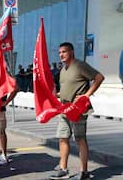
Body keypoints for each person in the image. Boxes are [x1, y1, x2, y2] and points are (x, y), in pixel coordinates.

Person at [49, 42, 104, 180]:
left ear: (71, 52)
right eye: (60, 52)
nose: (61, 54)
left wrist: (87, 95)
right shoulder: (63, 70)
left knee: (80, 139)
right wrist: (55, 95)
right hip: (64, 110)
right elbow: (66, 90)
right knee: (63, 138)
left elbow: (99, 77)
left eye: (64, 52)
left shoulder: (80, 66)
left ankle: (84, 172)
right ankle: (63, 169)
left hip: (78, 109)